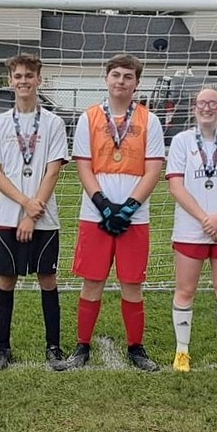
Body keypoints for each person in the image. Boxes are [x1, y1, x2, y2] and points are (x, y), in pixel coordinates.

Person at [57, 54, 165, 372]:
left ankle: (136, 348)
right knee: (92, 281)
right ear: (106, 78)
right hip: (95, 215)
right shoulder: (89, 117)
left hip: (135, 216)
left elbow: (154, 168)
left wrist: (129, 207)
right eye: (115, 75)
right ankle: (81, 347)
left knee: (132, 283)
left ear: (136, 82)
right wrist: (103, 204)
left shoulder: (150, 119)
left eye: (127, 76)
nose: (121, 81)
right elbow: (84, 166)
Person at [0, 54, 69, 370]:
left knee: (48, 277)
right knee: (6, 279)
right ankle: (2, 349)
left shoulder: (54, 122)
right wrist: (24, 205)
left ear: (39, 80)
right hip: (8, 217)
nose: (23, 81)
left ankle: (54, 348)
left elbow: (53, 170)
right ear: (10, 80)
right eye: (17, 76)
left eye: (29, 76)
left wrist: (33, 215)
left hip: (45, 218)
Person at [165, 87, 217, 373]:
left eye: (213, 104)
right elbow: (175, 185)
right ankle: (182, 351)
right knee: (185, 290)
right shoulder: (181, 141)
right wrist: (205, 219)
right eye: (202, 103)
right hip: (190, 229)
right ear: (194, 108)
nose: (207, 108)